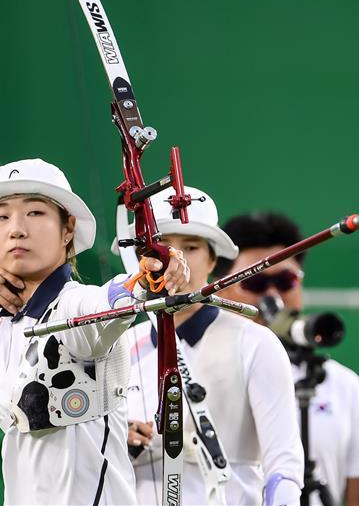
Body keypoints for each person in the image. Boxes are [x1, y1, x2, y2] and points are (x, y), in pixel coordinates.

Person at [0, 158, 189, 505]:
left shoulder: (75, 306)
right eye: (1, 217)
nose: (16, 229)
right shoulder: (0, 313)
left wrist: (151, 274)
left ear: (67, 229)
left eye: (35, 213)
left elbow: (114, 299)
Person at [123, 187, 304, 506]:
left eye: (190, 247)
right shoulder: (120, 346)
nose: (174, 259)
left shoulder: (255, 343)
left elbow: (284, 466)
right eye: (161, 246)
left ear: (212, 260)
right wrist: (115, 440)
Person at [217, 212, 359, 506]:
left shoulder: (340, 384)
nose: (273, 297)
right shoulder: (193, 368)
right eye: (255, 283)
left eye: (286, 281)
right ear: (219, 285)